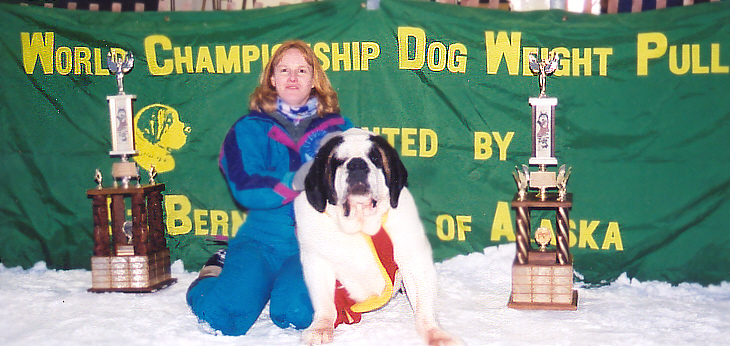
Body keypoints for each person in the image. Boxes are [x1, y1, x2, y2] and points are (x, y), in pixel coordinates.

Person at [186, 40, 354, 336]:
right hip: (261, 241)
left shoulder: (339, 128)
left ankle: (287, 286)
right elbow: (245, 188)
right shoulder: (247, 129)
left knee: (296, 314)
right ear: (272, 79)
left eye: (302, 70)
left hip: (313, 246)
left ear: (314, 79)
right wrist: (296, 178)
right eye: (284, 70)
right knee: (225, 319)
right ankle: (211, 275)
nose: (292, 77)